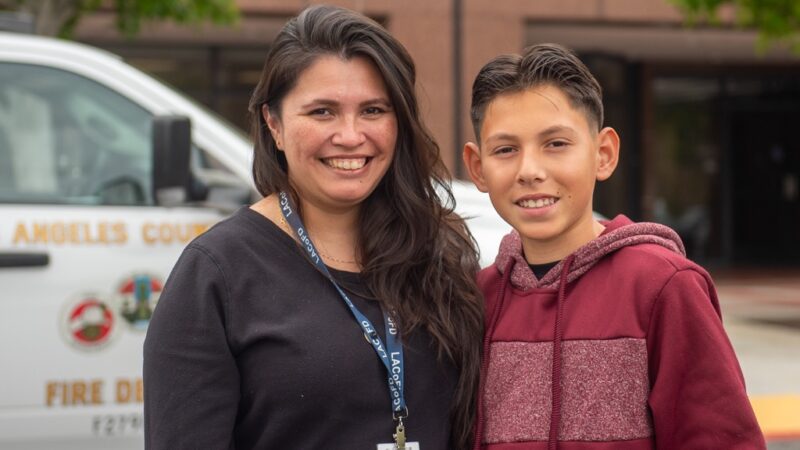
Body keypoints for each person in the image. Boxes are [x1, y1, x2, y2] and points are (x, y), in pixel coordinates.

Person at [143, 6, 484, 450]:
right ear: (274, 124)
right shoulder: (217, 274)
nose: (350, 135)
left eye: (373, 110)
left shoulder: (440, 253)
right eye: (322, 112)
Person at [462, 43, 765, 449]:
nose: (529, 171)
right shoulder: (475, 300)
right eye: (505, 150)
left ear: (603, 154)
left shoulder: (664, 287)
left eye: (556, 144)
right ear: (478, 168)